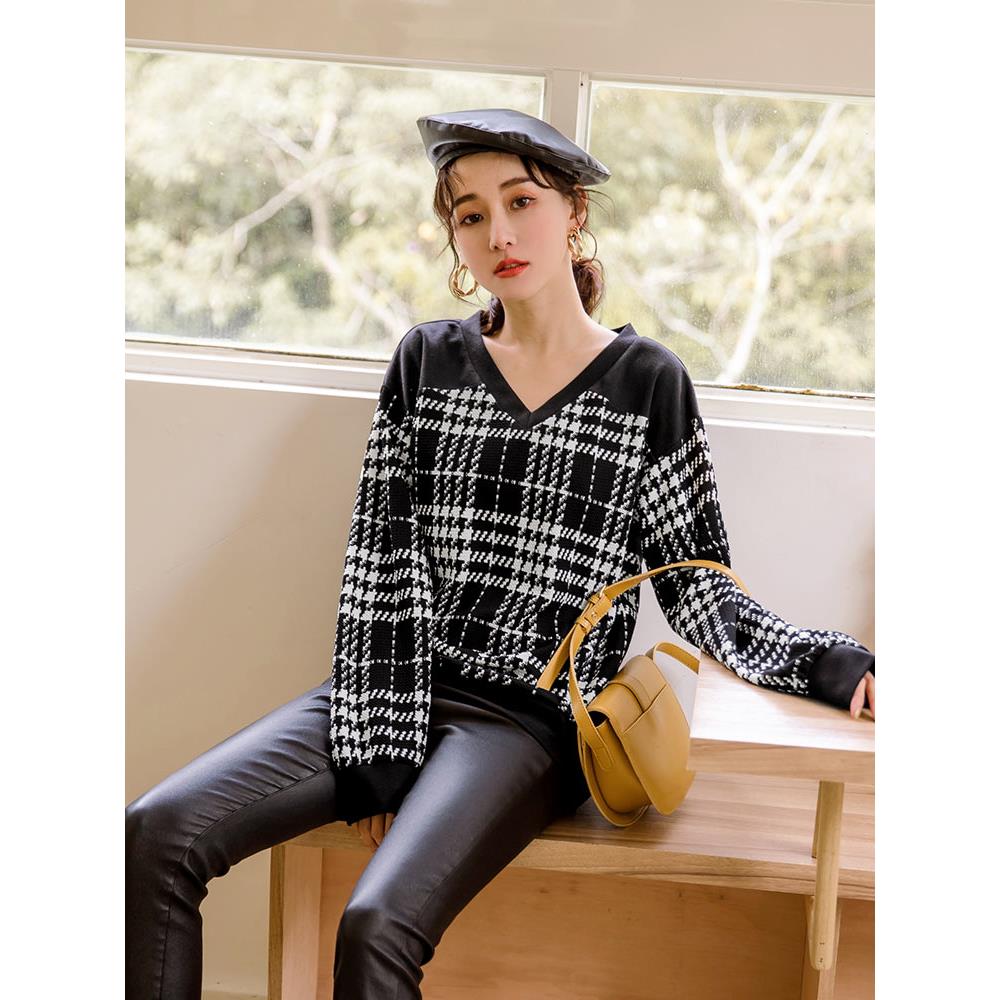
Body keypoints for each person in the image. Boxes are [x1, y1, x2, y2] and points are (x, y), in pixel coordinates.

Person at [125, 108, 875, 1000]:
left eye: (521, 202)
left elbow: (697, 588)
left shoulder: (647, 383)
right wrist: (382, 754)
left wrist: (830, 665)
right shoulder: (428, 362)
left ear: (573, 212)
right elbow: (382, 567)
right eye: (471, 214)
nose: (499, 235)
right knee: (156, 833)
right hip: (396, 688)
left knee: (375, 925)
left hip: (528, 723)